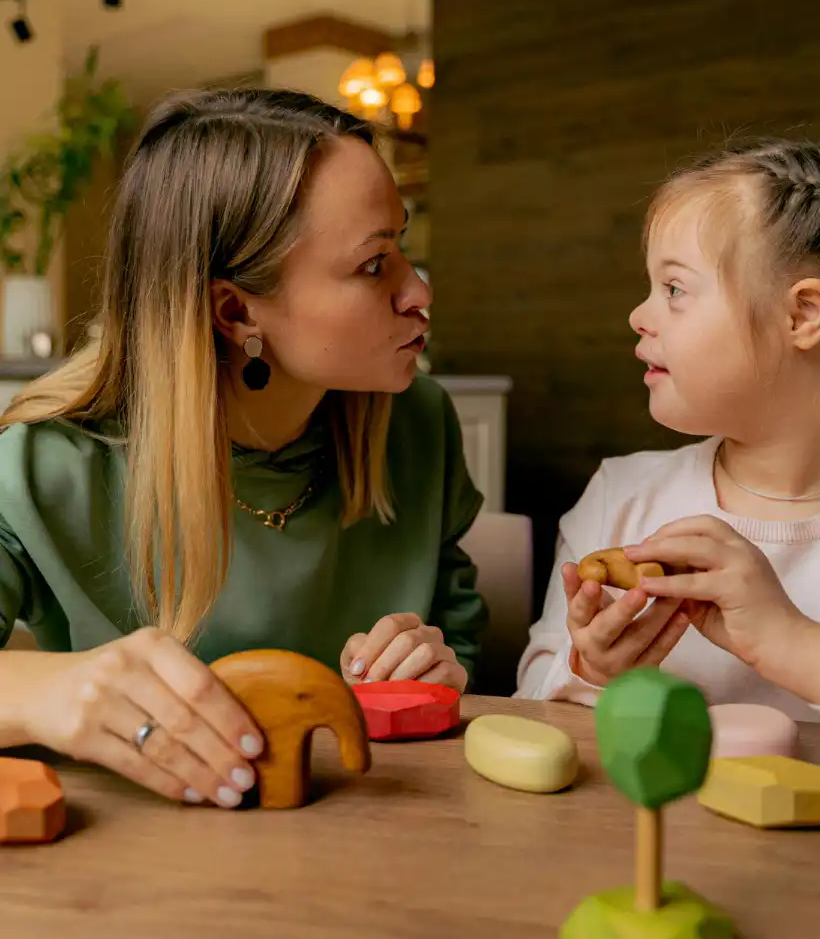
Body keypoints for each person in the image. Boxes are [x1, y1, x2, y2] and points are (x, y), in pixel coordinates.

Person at [0, 88, 487, 809]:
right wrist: (48, 687)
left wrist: (436, 674)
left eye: (403, 247)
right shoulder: (43, 467)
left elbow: (463, 654)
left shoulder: (418, 425)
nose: (419, 291)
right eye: (373, 264)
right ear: (235, 311)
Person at [516, 138, 820, 800]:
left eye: (675, 289)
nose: (639, 314)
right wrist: (591, 671)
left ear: (802, 314)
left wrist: (791, 639)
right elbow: (531, 704)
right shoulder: (620, 499)